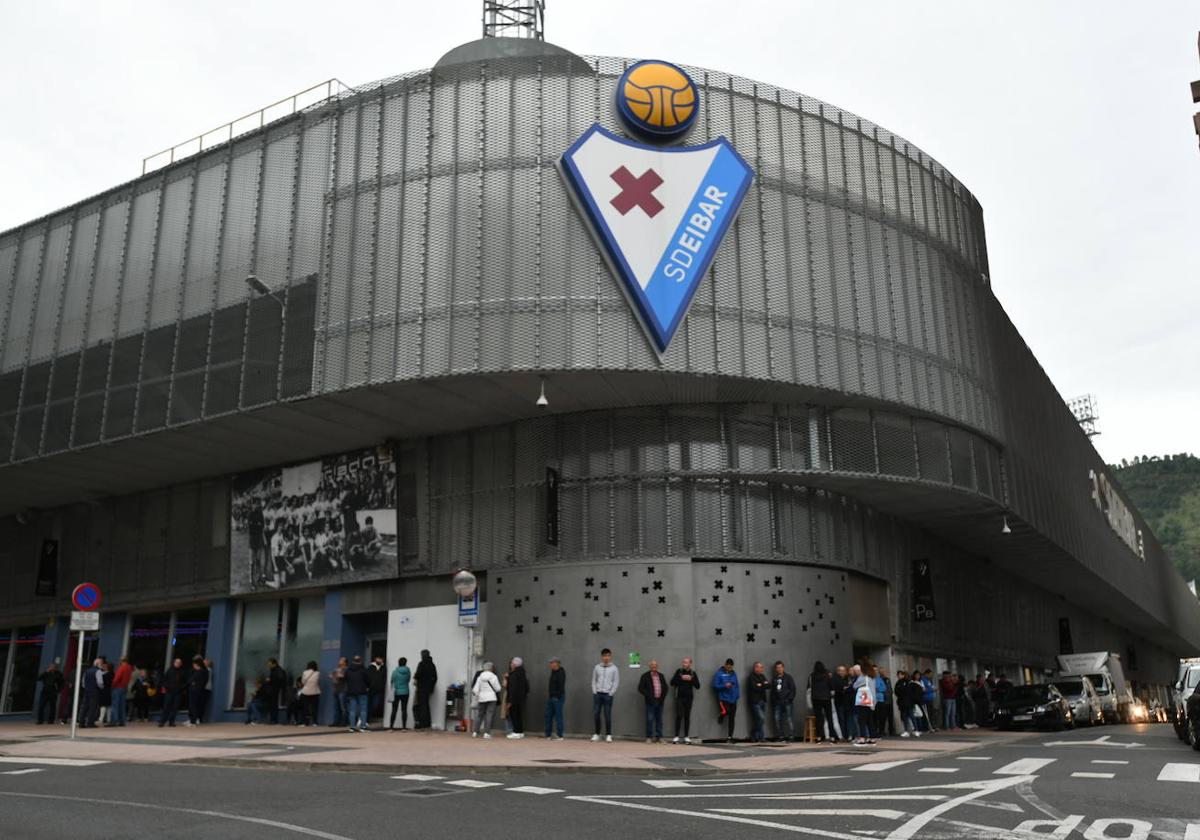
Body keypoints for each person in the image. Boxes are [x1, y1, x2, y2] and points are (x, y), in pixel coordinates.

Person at [591, 648, 619, 742]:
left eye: (608, 655)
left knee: (607, 715)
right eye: (604, 656)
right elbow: (594, 680)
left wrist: (611, 693)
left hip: (607, 695)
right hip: (598, 694)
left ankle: (608, 735)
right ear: (602, 657)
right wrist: (594, 692)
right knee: (596, 714)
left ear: (610, 656)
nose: (606, 657)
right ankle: (597, 734)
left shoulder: (614, 668)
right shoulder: (597, 667)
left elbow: (616, 682)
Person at [669, 656, 700, 744]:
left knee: (687, 716)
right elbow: (672, 682)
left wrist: (691, 679)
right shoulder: (679, 672)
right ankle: (676, 736)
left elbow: (698, 686)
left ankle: (686, 736)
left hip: (689, 698)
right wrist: (681, 678)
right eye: (683, 662)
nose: (684, 664)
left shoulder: (693, 673)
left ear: (690, 664)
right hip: (679, 697)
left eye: (686, 662)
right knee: (679, 715)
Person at [638, 659, 669, 743]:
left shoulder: (661, 676)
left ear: (657, 666)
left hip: (660, 701)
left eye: (655, 665)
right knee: (650, 719)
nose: (654, 666)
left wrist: (662, 698)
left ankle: (660, 737)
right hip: (650, 702)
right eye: (652, 665)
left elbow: (666, 688)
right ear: (649, 666)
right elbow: (640, 688)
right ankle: (649, 737)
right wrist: (649, 696)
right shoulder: (645, 676)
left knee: (659, 720)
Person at [713, 658, 740, 743]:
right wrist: (725, 685)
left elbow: (736, 685)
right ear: (725, 665)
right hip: (724, 698)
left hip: (733, 699)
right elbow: (715, 686)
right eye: (728, 667)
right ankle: (721, 716)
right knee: (726, 711)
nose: (729, 669)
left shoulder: (734, 673)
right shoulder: (719, 673)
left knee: (732, 718)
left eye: (731, 667)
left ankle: (729, 737)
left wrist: (737, 695)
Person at [471, 661, 501, 738]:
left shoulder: (480, 677)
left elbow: (475, 689)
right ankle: (486, 733)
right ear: (491, 668)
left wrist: (479, 694)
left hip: (482, 698)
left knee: (479, 715)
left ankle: (475, 732)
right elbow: (498, 688)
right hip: (492, 698)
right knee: (489, 715)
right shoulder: (494, 677)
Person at [807, 661, 835, 742]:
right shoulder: (827, 674)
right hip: (826, 698)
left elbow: (809, 688)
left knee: (819, 718)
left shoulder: (812, 675)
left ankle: (819, 737)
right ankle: (832, 736)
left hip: (816, 699)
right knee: (829, 718)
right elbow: (831, 686)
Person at [771, 661, 797, 742]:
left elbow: (793, 689)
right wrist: (774, 700)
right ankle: (781, 736)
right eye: (777, 668)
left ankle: (791, 736)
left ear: (783, 667)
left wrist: (789, 699)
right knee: (777, 719)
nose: (779, 669)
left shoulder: (788, 677)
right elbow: (773, 691)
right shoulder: (775, 679)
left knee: (789, 718)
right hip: (778, 702)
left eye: (780, 667)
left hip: (787, 701)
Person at [344, 654, 370, 732]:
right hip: (362, 691)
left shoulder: (348, 670)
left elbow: (345, 679)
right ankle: (363, 726)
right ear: (360, 661)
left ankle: (352, 727)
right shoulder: (363, 669)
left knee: (352, 710)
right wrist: (367, 687)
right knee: (363, 710)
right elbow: (368, 680)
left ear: (353, 661)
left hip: (351, 691)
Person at [852, 663, 876, 746]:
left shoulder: (862, 677)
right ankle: (872, 738)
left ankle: (862, 739)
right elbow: (873, 691)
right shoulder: (871, 678)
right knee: (870, 721)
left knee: (861, 720)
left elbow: (854, 686)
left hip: (863, 702)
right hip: (870, 701)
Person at [159, 657, 187, 727]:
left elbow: (185, 682)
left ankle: (171, 722)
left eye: (179, 663)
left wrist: (181, 688)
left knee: (175, 708)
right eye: (177, 662)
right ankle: (162, 721)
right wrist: (167, 687)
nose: (178, 664)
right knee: (166, 707)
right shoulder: (170, 670)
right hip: (169, 692)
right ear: (174, 663)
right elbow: (164, 680)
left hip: (178, 693)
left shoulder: (183, 672)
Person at [505, 657, 529, 739]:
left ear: (515, 664)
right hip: (521, 698)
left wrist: (510, 700)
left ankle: (516, 732)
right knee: (519, 715)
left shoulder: (514, 675)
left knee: (514, 715)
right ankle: (520, 732)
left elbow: (512, 688)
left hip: (514, 699)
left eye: (512, 663)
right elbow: (527, 687)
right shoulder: (522, 673)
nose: (510, 665)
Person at [414, 650, 438, 730]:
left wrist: (416, 677)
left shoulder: (421, 664)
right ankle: (427, 723)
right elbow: (435, 677)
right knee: (426, 705)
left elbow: (417, 675)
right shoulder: (432, 665)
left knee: (421, 706)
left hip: (421, 688)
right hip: (428, 689)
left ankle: (422, 723)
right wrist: (431, 686)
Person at [894, 670, 922, 737]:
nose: (899, 676)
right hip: (903, 703)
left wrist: (914, 699)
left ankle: (915, 730)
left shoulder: (910, 683)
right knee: (905, 717)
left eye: (900, 675)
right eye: (898, 675)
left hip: (909, 703)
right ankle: (907, 731)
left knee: (911, 716)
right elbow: (896, 692)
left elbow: (917, 690)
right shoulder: (899, 683)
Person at [747, 661, 770, 743]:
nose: (761, 669)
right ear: (756, 668)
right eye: (760, 667)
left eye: (762, 667)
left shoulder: (762, 676)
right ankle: (754, 734)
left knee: (758, 720)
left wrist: (760, 685)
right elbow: (754, 687)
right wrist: (762, 685)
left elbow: (768, 685)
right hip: (755, 702)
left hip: (762, 701)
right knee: (761, 718)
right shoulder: (751, 677)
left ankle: (759, 737)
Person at [543, 657, 565, 740]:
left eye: (552, 663)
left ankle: (560, 735)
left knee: (558, 716)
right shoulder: (553, 672)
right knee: (548, 716)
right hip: (551, 697)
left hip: (558, 698)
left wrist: (557, 696)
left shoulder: (561, 672)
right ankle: (547, 734)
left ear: (557, 664)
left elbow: (561, 686)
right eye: (550, 663)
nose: (550, 665)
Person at [833, 664, 855, 741]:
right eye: (840, 671)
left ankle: (849, 734)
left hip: (848, 703)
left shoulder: (848, 679)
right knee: (841, 719)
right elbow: (836, 689)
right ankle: (843, 735)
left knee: (848, 719)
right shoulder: (835, 679)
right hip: (839, 703)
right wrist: (843, 689)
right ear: (837, 672)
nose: (842, 672)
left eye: (844, 671)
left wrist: (845, 689)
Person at [390, 656, 411, 730]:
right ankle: (404, 727)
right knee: (404, 709)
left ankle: (391, 727)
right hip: (406, 692)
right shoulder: (408, 671)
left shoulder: (395, 672)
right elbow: (408, 680)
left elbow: (392, 681)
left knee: (394, 709)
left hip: (396, 692)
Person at [111, 656, 132, 727]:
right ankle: (122, 721)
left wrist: (112, 685)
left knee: (115, 705)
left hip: (118, 687)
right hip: (124, 687)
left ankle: (114, 721)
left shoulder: (122, 668)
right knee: (122, 705)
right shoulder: (129, 668)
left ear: (122, 661)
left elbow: (117, 678)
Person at [186, 656, 208, 726]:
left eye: (194, 664)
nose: (193, 665)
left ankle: (193, 721)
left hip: (197, 690)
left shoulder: (203, 672)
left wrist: (195, 684)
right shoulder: (194, 671)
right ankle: (192, 719)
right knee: (191, 705)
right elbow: (190, 680)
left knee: (194, 705)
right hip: (192, 690)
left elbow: (202, 682)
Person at [265, 658, 287, 724]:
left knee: (273, 705)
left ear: (274, 664)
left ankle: (273, 720)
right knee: (272, 705)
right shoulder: (274, 670)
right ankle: (272, 719)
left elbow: (280, 679)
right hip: (274, 689)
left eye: (270, 664)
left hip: (275, 690)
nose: (268, 665)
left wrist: (270, 680)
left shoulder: (278, 670)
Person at [299, 660, 321, 726]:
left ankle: (305, 722)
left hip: (305, 692)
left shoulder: (305, 672)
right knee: (314, 708)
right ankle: (315, 722)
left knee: (305, 708)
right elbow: (318, 682)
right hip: (315, 692)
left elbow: (303, 682)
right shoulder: (317, 673)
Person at [874, 667, 894, 738]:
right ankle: (875, 731)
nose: (876, 672)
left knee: (882, 717)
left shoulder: (882, 679)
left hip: (882, 699)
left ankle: (881, 731)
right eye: (874, 670)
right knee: (875, 717)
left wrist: (877, 689)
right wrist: (877, 688)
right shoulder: (871, 678)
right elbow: (873, 688)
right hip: (874, 700)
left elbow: (884, 688)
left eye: (876, 670)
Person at [330, 656, 348, 727]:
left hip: (343, 689)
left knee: (343, 707)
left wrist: (337, 675)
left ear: (345, 662)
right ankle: (336, 721)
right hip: (336, 689)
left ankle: (344, 722)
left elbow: (342, 676)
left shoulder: (346, 669)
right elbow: (331, 675)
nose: (340, 661)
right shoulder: (336, 669)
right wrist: (334, 675)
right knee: (336, 707)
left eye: (341, 660)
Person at [367, 656, 386, 723]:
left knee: (375, 704)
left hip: (379, 689)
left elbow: (384, 678)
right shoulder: (371, 667)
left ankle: (369, 717)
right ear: (375, 659)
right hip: (371, 689)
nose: (380, 660)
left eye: (381, 659)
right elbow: (368, 678)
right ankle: (367, 719)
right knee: (369, 704)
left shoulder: (383, 668)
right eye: (378, 658)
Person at [97, 660, 113, 726]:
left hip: (104, 691)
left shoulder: (105, 675)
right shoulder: (112, 674)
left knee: (103, 705)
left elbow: (101, 683)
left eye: (104, 666)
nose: (103, 667)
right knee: (109, 706)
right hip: (109, 691)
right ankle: (109, 719)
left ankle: (101, 719)